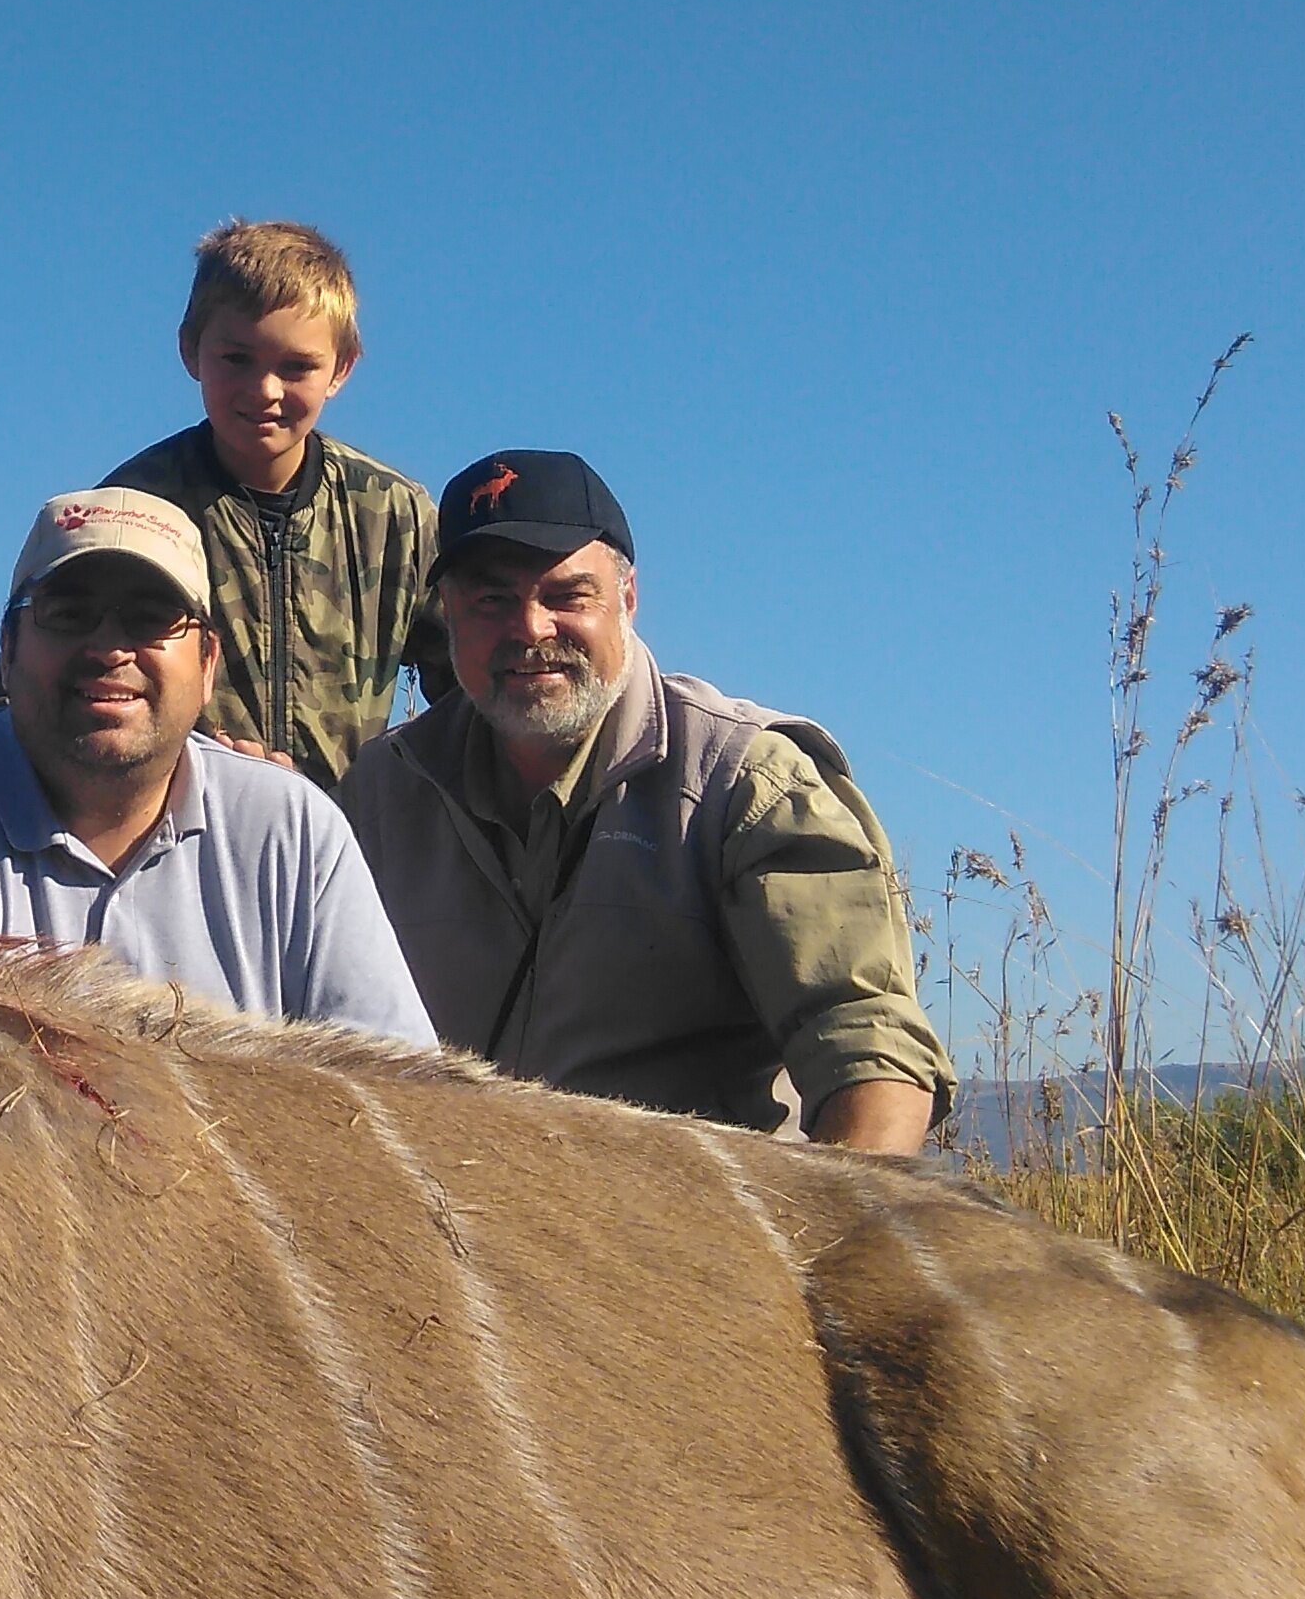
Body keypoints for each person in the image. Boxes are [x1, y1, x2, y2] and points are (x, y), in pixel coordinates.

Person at [336, 452, 951, 1149]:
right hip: (458, 1223)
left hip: (690, 1230)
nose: (530, 629)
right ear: (448, 617)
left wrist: (838, 1248)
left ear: (627, 601)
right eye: (491, 601)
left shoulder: (746, 781)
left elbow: (870, 1049)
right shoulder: (384, 791)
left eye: (568, 596)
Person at [0, 488, 434, 1042]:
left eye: (150, 619)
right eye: (69, 614)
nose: (108, 648)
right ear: (7, 650)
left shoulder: (293, 830)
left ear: (208, 662)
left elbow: (398, 1093)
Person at [0, 220, 446, 791]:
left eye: (296, 366)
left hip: (348, 846)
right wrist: (187, 761)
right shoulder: (134, 510)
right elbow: (15, 693)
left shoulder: (394, 516)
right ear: (190, 351)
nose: (265, 390)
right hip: (177, 832)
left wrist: (393, 789)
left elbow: (473, 692)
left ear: (341, 369)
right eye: (236, 358)